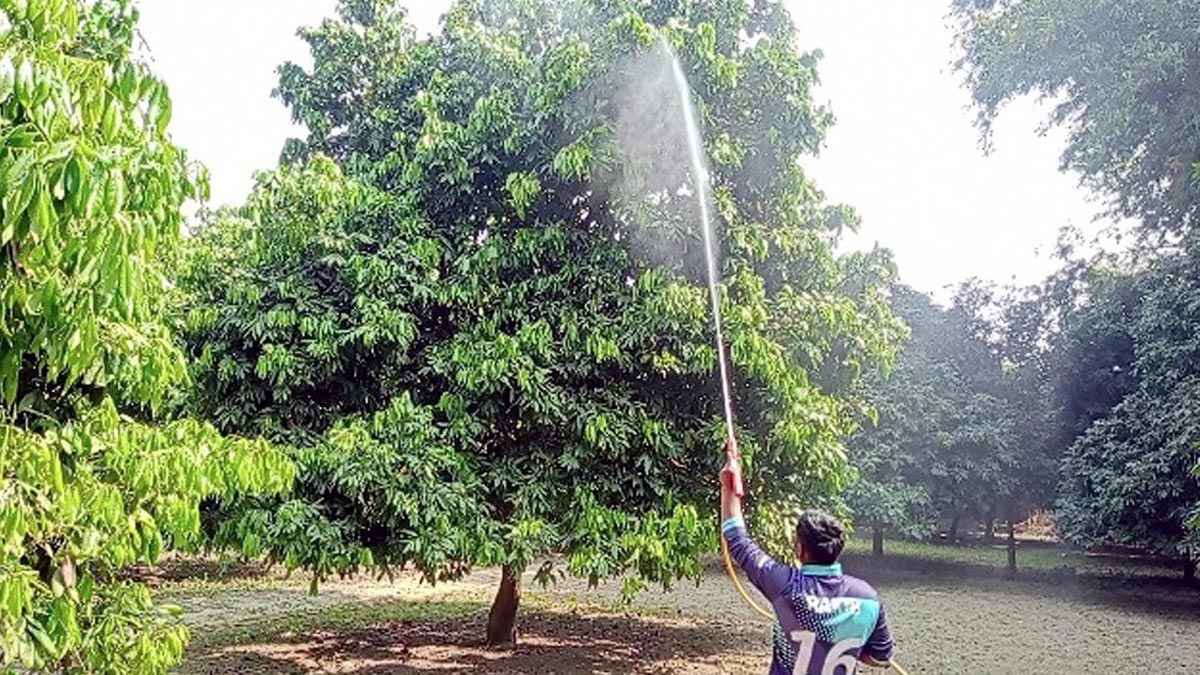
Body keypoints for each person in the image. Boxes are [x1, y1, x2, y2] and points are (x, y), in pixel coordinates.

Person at [720, 438, 894, 675]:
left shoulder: (785, 585)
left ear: (800, 550)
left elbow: (737, 537)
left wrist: (729, 481)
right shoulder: (868, 598)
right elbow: (881, 657)